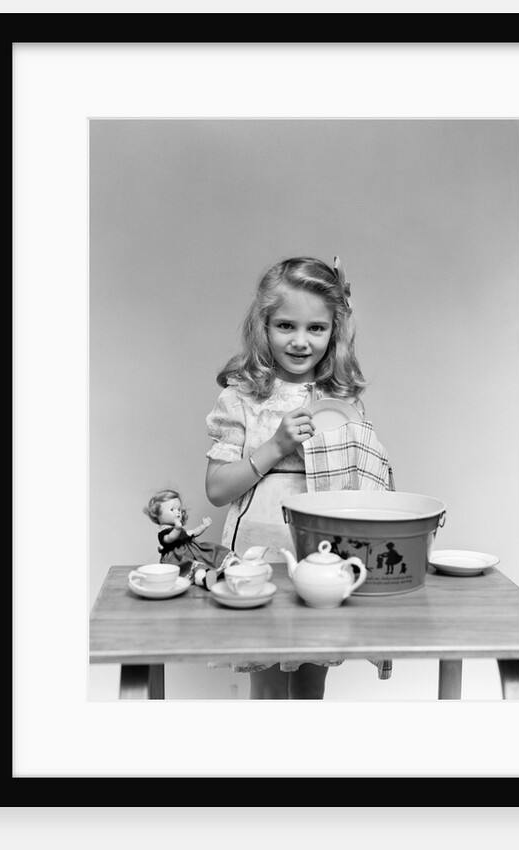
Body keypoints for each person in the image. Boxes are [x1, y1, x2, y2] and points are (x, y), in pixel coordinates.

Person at [204, 255, 372, 700]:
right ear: (263, 325)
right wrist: (275, 447)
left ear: (335, 330)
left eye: (316, 328)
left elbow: (359, 482)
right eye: (286, 326)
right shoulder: (241, 396)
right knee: (269, 687)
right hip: (259, 554)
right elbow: (217, 490)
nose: (301, 341)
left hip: (322, 555)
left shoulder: (340, 397)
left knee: (312, 678)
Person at [143, 488, 239, 585]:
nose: (178, 512)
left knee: (211, 549)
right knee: (193, 565)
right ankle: (203, 578)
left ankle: (230, 563)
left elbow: (192, 533)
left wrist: (203, 526)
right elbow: (169, 539)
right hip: (178, 557)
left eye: (179, 509)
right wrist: (176, 529)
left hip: (194, 551)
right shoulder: (164, 532)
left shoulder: (180, 530)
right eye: (172, 509)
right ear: (157, 513)